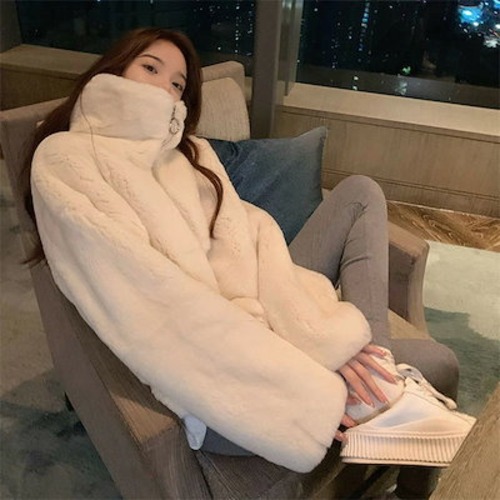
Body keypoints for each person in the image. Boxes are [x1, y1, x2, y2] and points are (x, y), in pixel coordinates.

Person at [24, 27, 474, 499]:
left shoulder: (188, 153)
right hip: (220, 375)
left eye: (177, 84)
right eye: (150, 68)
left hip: (264, 304)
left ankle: (381, 387)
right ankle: (385, 399)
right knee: (439, 362)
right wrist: (299, 368)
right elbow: (155, 307)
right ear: (115, 66)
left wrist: (314, 329)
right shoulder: (67, 159)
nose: (163, 89)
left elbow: (250, 231)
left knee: (360, 193)